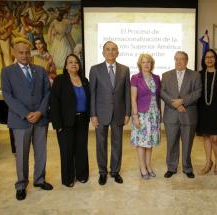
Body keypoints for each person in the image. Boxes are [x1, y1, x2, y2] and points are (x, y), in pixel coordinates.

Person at [1, 37, 53, 201]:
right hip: (20, 120)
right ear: (14, 53)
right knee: (22, 154)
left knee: (41, 152)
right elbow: (8, 96)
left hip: (40, 119)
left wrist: (39, 112)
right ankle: (21, 185)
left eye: (27, 52)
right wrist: (25, 114)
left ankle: (39, 179)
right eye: (21, 52)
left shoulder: (40, 70)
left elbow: (47, 93)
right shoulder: (7, 72)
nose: (24, 55)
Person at [89, 41, 131, 185]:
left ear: (117, 52)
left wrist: (128, 113)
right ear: (103, 52)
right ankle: (102, 172)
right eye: (108, 49)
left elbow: (127, 93)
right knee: (101, 143)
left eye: (113, 50)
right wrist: (93, 114)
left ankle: (115, 171)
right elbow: (92, 93)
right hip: (100, 114)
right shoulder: (95, 69)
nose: (110, 52)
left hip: (119, 113)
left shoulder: (125, 70)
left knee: (117, 143)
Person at [50, 54, 90, 187]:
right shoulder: (60, 80)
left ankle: (82, 175)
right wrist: (57, 124)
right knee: (67, 151)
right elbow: (54, 102)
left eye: (76, 62)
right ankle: (68, 179)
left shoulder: (84, 80)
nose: (74, 64)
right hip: (65, 122)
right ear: (66, 66)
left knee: (81, 149)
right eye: (70, 62)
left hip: (82, 120)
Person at [161, 51, 202, 179]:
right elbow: (162, 92)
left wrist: (183, 101)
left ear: (187, 60)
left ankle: (187, 167)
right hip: (171, 115)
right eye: (176, 59)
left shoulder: (195, 75)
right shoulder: (166, 75)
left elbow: (198, 92)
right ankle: (171, 168)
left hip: (188, 115)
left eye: (182, 59)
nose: (179, 62)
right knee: (172, 143)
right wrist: (175, 104)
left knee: (187, 143)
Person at [196, 49, 217, 175]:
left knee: (215, 138)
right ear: (203, 60)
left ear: (215, 59)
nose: (209, 59)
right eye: (206, 57)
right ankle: (208, 162)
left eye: (212, 57)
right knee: (206, 136)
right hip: (202, 110)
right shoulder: (199, 74)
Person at [131, 54, 161, 180]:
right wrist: (135, 116)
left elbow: (158, 96)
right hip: (142, 114)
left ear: (151, 64)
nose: (146, 64)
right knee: (141, 143)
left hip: (154, 114)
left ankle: (149, 166)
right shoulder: (135, 78)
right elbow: (133, 97)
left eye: (148, 62)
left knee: (150, 142)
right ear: (140, 64)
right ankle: (142, 167)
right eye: (143, 62)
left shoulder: (156, 77)